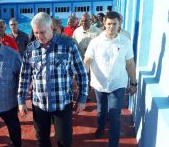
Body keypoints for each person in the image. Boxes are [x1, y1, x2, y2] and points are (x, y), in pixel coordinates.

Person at [18, 12, 88, 147]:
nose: (39, 36)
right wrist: (21, 100)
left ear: (51, 27)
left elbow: (81, 73)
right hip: (39, 104)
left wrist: (82, 97)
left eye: (42, 32)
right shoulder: (31, 49)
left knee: (64, 141)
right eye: (36, 33)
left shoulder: (68, 46)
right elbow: (24, 76)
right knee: (42, 140)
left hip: (62, 103)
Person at [84, 11, 137, 147]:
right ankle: (101, 127)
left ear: (119, 24)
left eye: (114, 24)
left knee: (114, 116)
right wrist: (83, 78)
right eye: (109, 24)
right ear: (104, 24)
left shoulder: (126, 42)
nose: (111, 27)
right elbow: (88, 60)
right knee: (101, 111)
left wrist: (133, 82)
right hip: (99, 84)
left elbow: (130, 64)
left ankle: (113, 144)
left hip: (117, 84)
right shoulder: (95, 42)